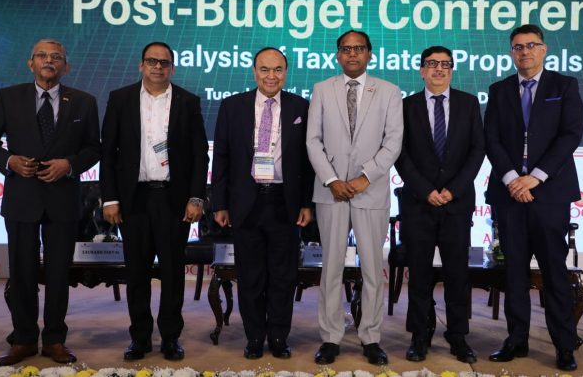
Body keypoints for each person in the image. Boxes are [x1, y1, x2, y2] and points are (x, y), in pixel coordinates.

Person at [0, 39, 100, 366]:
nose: (49, 61)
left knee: (59, 273)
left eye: (56, 57)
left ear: (66, 67)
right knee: (22, 272)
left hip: (63, 198)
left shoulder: (84, 102)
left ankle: (55, 340)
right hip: (22, 197)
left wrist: (69, 165)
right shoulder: (8, 97)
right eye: (42, 56)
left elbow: (93, 148)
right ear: (30, 63)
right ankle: (24, 339)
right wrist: (9, 161)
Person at [483, 24, 583, 371]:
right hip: (509, 193)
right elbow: (492, 139)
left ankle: (564, 345)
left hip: (549, 193)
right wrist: (513, 179)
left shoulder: (564, 86)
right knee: (513, 272)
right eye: (517, 47)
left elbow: (570, 135)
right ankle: (516, 340)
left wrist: (535, 177)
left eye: (531, 45)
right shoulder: (499, 90)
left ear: (543, 49)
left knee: (554, 272)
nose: (524, 51)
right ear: (511, 52)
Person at [100, 42, 208, 361]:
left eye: (164, 62)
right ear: (141, 65)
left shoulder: (188, 101)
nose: (158, 67)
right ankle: (140, 338)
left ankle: (171, 338)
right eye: (152, 61)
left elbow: (199, 154)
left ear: (172, 67)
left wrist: (196, 197)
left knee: (173, 272)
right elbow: (108, 153)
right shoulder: (120, 99)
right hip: (133, 199)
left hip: (173, 199)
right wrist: (110, 198)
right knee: (137, 272)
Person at [306, 30, 403, 365]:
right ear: (337, 54)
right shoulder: (322, 89)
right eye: (345, 49)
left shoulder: (389, 91)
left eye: (358, 48)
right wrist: (332, 179)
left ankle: (370, 336)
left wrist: (365, 177)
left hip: (370, 190)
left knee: (373, 269)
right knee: (331, 267)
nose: (352, 54)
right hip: (330, 191)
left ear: (369, 54)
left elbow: (393, 141)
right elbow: (313, 140)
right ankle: (330, 337)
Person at [211, 47, 314, 360]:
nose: (272, 76)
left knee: (283, 276)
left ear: (286, 72)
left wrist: (307, 203)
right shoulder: (232, 106)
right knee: (251, 276)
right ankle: (254, 337)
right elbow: (222, 158)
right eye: (265, 69)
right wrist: (220, 203)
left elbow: (308, 162)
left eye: (278, 69)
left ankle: (279, 337)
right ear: (254, 71)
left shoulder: (301, 106)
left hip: (285, 203)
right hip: (246, 203)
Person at [394, 46, 485, 363]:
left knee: (457, 274)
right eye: (432, 64)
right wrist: (426, 190)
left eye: (445, 64)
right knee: (419, 275)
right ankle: (420, 336)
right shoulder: (406, 106)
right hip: (418, 204)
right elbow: (400, 153)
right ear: (422, 70)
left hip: (456, 204)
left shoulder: (468, 103)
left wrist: (452, 190)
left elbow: (477, 150)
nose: (439, 69)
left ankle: (458, 336)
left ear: (452, 70)